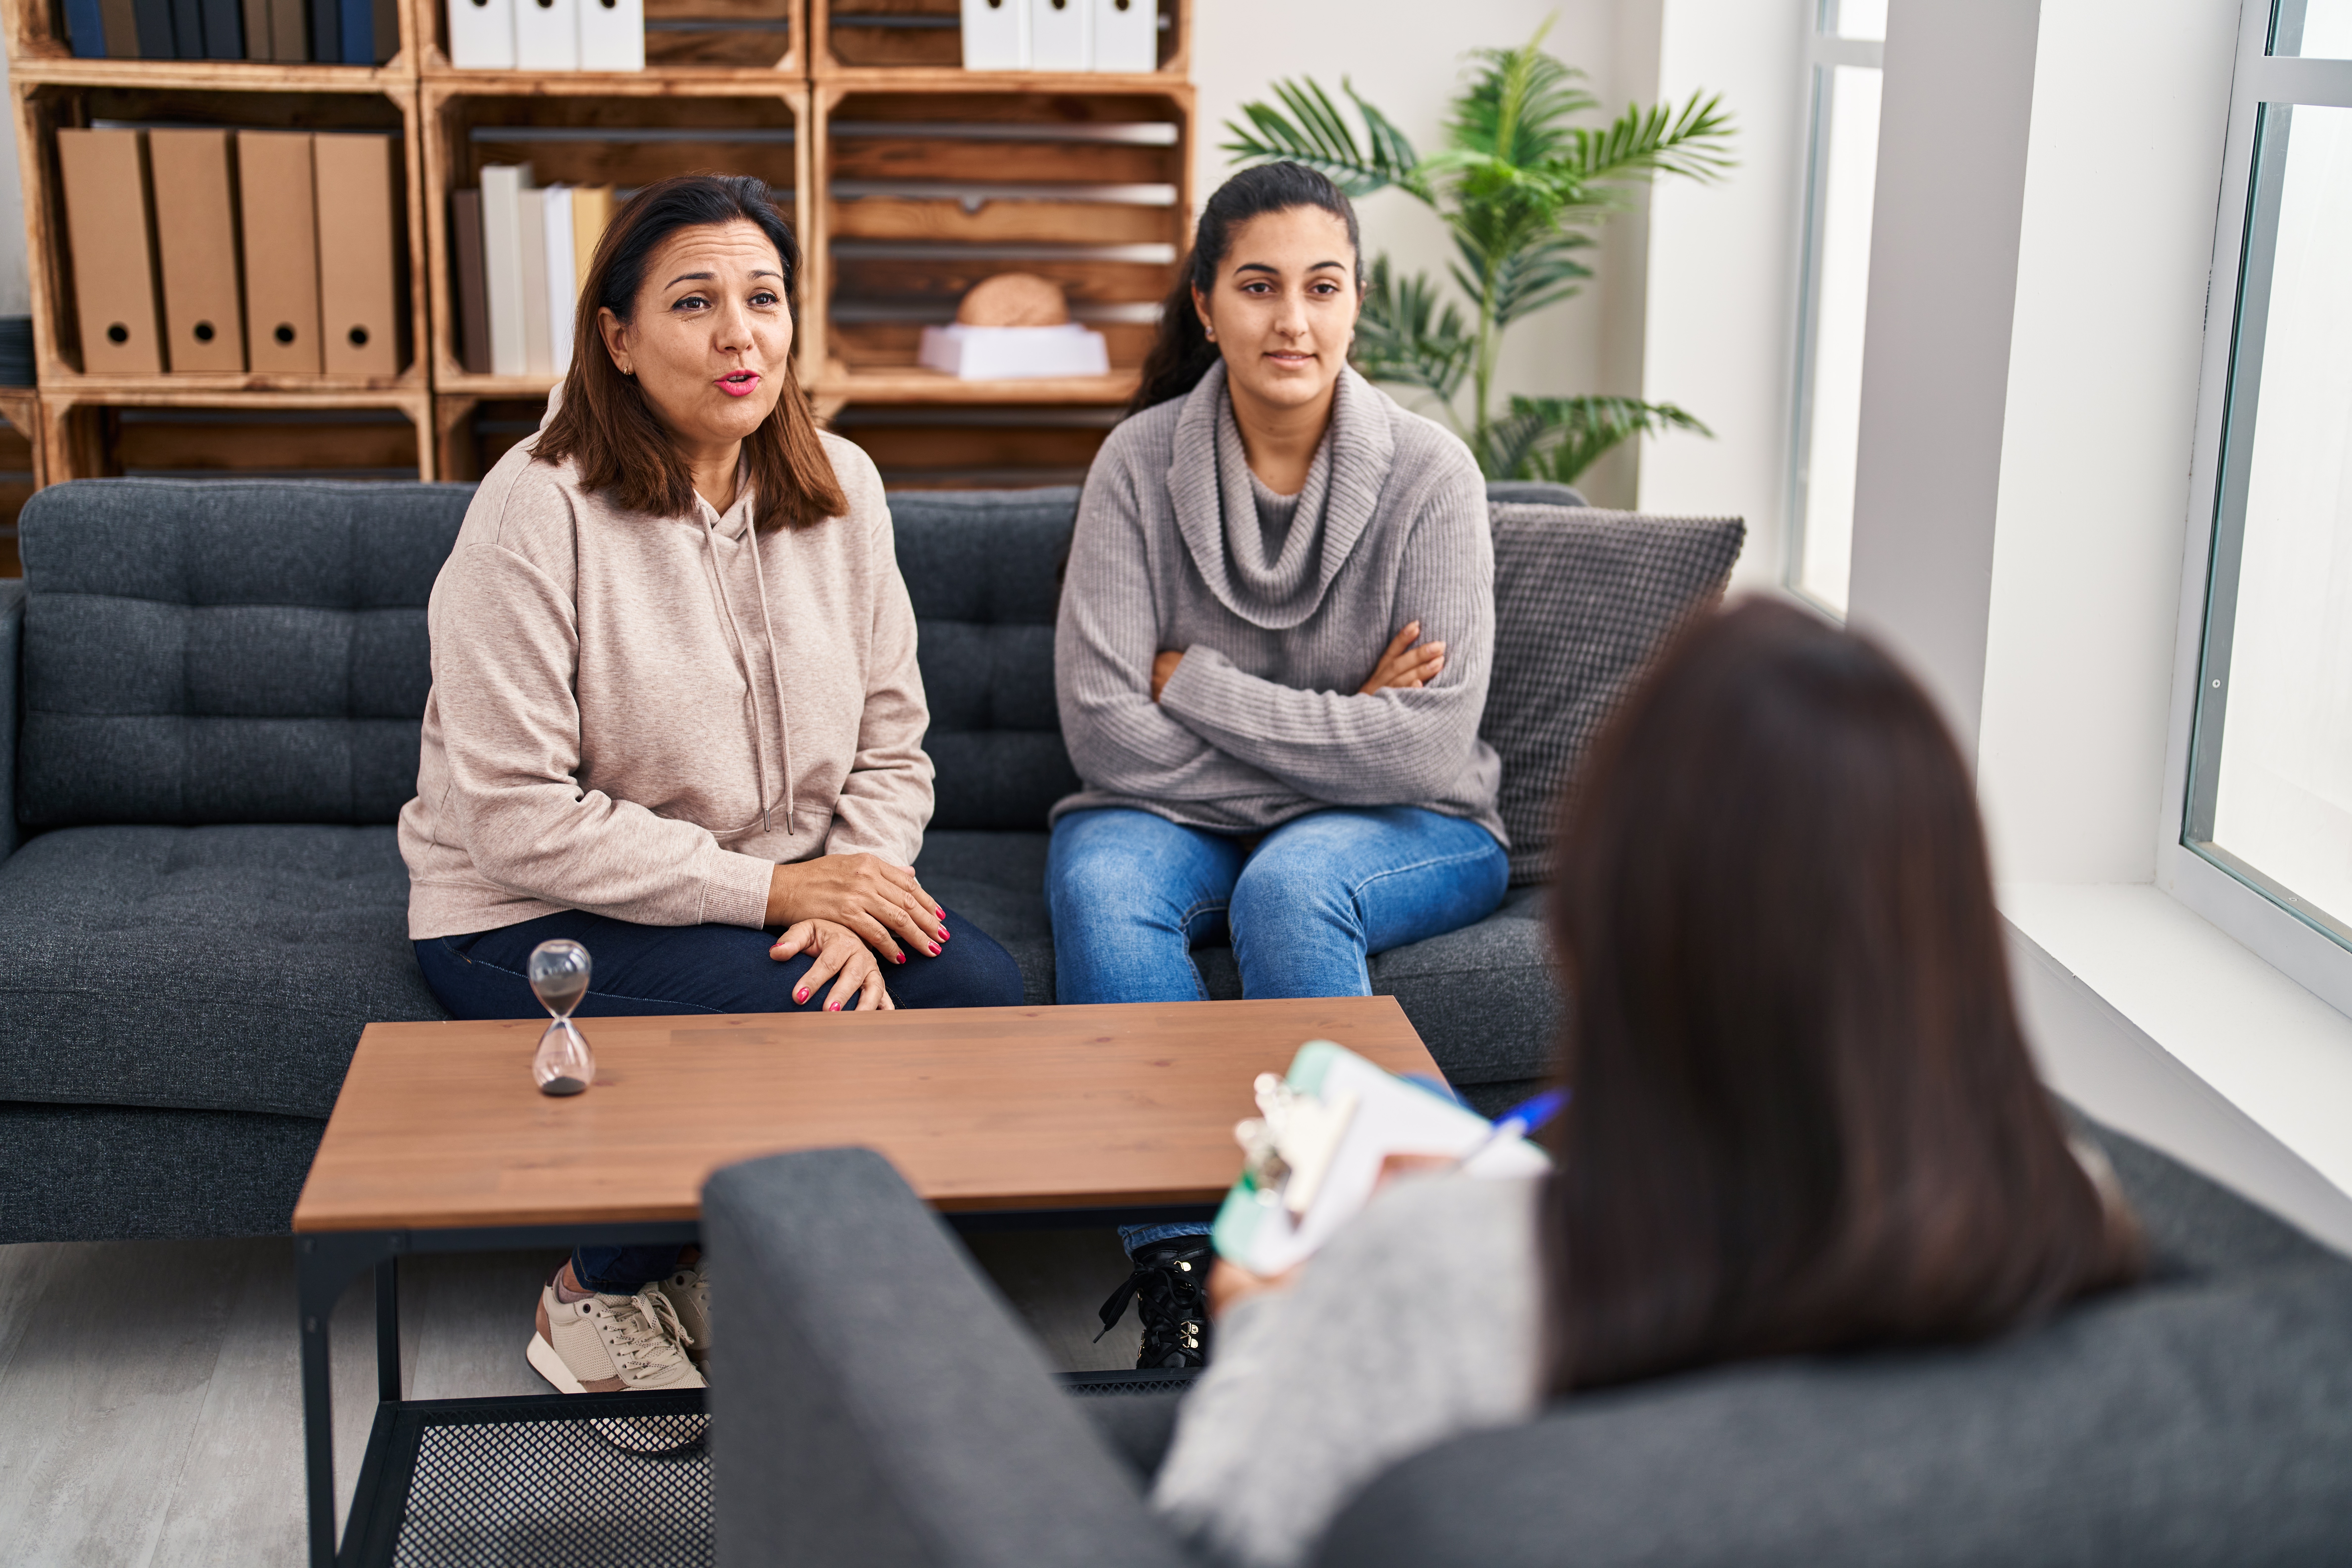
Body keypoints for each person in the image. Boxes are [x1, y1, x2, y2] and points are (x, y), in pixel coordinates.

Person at [1147, 599, 2146, 1568]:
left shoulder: (1439, 1272)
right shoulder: (2066, 1216)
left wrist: (1259, 1311)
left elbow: (1215, 1522)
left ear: (1599, 924)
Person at [398, 174, 1025, 1401]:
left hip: (778, 889)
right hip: (524, 911)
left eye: (765, 298)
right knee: (806, 1015)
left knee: (977, 986)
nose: (743, 334)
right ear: (618, 340)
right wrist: (785, 895)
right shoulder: (536, 506)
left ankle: (714, 1254)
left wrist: (853, 893)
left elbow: (896, 748)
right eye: (696, 303)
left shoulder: (843, 487)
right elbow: (516, 816)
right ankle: (590, 1294)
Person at [1054, 161, 1508, 1368]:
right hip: (1210, 809)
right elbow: (1104, 731)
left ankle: (1353, 1272)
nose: (1291, 321)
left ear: (1359, 300)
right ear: (1206, 305)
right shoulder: (1137, 466)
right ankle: (1183, 1268)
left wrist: (1197, 686)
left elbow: (1425, 745)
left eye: (1322, 286)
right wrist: (1340, 728)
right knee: (1101, 880)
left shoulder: (1431, 475)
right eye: (1258, 287)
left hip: (1423, 821)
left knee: (1292, 882)